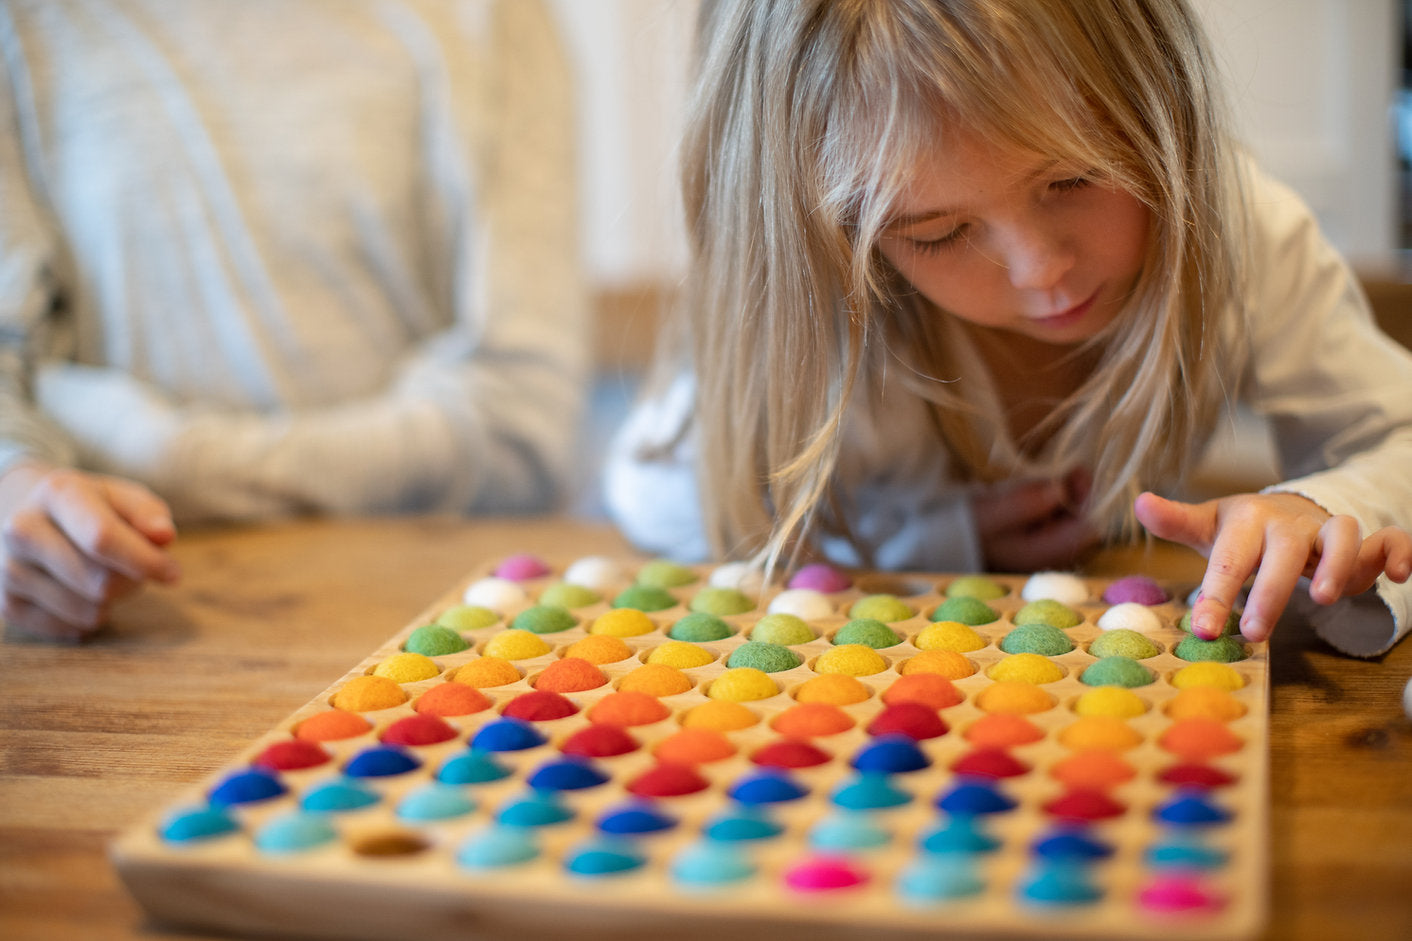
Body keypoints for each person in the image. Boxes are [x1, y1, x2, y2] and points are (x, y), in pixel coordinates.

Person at [604, 0, 1412, 656]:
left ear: (1160, 101)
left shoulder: (1244, 234)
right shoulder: (838, 309)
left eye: (1075, 176)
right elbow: (660, 490)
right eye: (938, 233)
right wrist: (920, 538)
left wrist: (1323, 503)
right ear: (844, 233)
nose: (1039, 269)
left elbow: (1397, 435)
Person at [0, 0, 588, 642]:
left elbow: (521, 429)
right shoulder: (25, 25)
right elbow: (14, 386)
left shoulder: (488, 17)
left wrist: (165, 456)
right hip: (119, 625)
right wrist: (16, 481)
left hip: (455, 618)